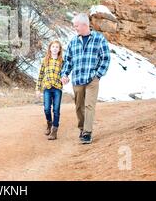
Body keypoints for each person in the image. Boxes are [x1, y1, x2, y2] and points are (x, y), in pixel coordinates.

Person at [61, 13, 110, 144]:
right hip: (77, 79)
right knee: (79, 107)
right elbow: (68, 60)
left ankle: (87, 133)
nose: (75, 28)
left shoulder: (99, 39)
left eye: (76, 26)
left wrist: (98, 75)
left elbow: (105, 58)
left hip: (92, 79)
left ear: (84, 25)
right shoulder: (73, 41)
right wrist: (64, 74)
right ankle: (82, 128)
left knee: (89, 105)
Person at [35, 40, 64, 140]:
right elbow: (40, 75)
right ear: (50, 49)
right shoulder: (45, 60)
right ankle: (49, 124)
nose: (55, 48)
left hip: (57, 88)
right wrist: (38, 89)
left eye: (57, 47)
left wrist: (65, 78)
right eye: (53, 47)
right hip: (47, 88)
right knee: (47, 108)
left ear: (59, 49)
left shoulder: (62, 61)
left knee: (56, 110)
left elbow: (65, 74)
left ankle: (54, 132)